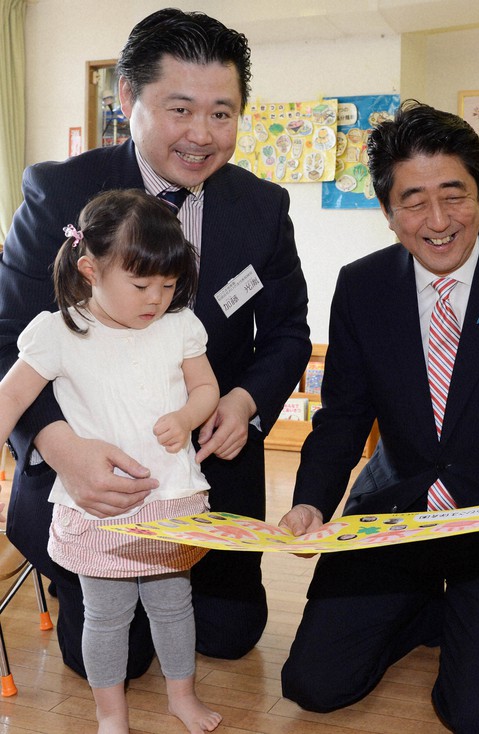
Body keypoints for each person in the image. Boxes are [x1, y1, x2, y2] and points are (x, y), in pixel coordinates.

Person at [0, 9, 311, 680]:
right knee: (115, 659)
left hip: (204, 467)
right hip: (91, 477)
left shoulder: (262, 208)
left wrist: (243, 401)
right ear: (127, 99)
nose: (202, 135)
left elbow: (288, 331)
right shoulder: (60, 193)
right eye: (180, 109)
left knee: (231, 637)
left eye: (222, 113)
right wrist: (60, 448)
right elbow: (7, 341)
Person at [279, 100, 479, 733]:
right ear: (388, 210)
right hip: (399, 510)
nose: (438, 220)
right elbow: (342, 415)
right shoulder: (362, 286)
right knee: (313, 685)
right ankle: (423, 605)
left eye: (455, 195)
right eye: (414, 201)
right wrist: (311, 501)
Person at [4, 189, 221, 733]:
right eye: (142, 284)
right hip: (102, 508)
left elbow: (207, 388)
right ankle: (111, 715)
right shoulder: (59, 331)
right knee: (105, 616)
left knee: (174, 606)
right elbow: (10, 396)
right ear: (90, 269)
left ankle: (181, 696)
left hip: (170, 496)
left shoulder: (178, 326)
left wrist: (189, 416)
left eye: (168, 285)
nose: (156, 298)